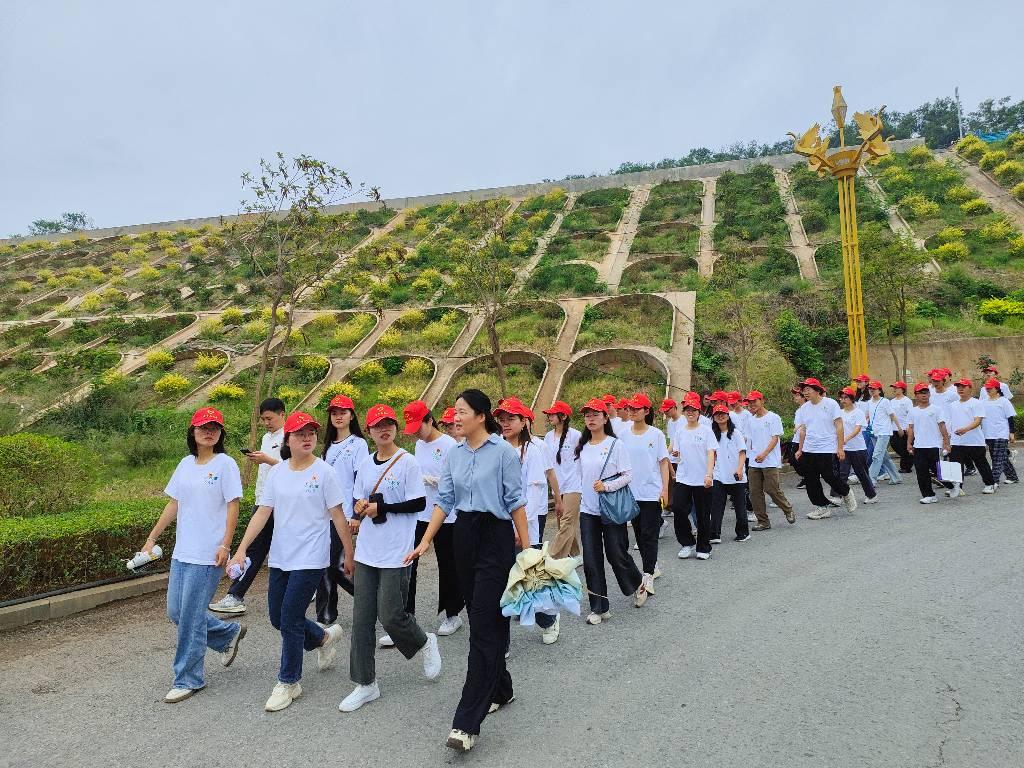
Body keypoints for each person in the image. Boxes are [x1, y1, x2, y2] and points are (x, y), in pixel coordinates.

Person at [404, 389, 529, 753]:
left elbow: (516, 501)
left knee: (485, 626)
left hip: (495, 538)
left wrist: (527, 548)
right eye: (454, 413)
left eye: (461, 412)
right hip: (463, 536)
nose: (455, 418)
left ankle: (466, 722)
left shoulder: (504, 452)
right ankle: (501, 689)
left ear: (480, 415)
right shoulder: (453, 454)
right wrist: (426, 540)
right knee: (482, 620)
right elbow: (444, 500)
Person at [227, 411, 354, 712]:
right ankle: (322, 637)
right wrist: (242, 548)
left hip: (311, 557)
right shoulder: (278, 473)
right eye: (300, 434)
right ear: (288, 440)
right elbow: (262, 513)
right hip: (282, 555)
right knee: (277, 617)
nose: (307, 438)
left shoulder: (324, 473)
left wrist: (349, 554)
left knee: (291, 617)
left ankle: (289, 681)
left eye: (311, 433)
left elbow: (338, 515)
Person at [339, 404, 440, 713]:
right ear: (369, 432)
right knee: (362, 618)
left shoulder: (407, 462)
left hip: (397, 550)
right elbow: (359, 496)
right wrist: (360, 507)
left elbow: (419, 503)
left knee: (391, 614)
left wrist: (382, 509)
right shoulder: (366, 466)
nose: (384, 430)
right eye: (377, 426)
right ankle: (366, 683)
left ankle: (424, 642)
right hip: (368, 549)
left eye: (389, 424)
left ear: (395, 428)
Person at [142, 407, 245, 704]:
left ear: (221, 433)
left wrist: (226, 545)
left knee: (189, 617)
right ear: (193, 432)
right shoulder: (185, 464)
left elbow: (233, 506)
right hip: (182, 551)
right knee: (177, 612)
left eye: (214, 427)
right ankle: (227, 635)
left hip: (209, 553)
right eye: (203, 427)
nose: (208, 431)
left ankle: (189, 677)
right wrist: (152, 537)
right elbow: (175, 503)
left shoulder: (226, 464)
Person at [571, 397, 646, 619]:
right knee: (592, 559)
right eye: (587, 415)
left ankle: (637, 583)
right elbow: (578, 478)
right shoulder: (582, 448)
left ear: (605, 417)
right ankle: (599, 607)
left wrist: (607, 486)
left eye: (595, 414)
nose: (591, 418)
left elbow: (628, 475)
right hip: (588, 511)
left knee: (616, 554)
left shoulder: (615, 444)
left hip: (611, 509)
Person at [209, 398, 285, 614]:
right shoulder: (266, 437)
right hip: (263, 500)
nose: (266, 423)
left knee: (261, 548)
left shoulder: (290, 436)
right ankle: (235, 594)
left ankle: (235, 595)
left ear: (282, 414)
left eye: (269, 418)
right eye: (263, 419)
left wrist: (267, 460)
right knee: (255, 548)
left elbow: (293, 469)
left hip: (282, 503)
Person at [494, 397, 560, 644]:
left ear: (524, 422)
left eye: (511, 418)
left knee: (528, 576)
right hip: (499, 523)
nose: (506, 423)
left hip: (525, 524)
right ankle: (502, 640)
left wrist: (521, 530)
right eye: (502, 419)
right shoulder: (495, 447)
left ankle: (548, 619)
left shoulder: (533, 450)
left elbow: (531, 495)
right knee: (504, 577)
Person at [402, 400, 463, 638]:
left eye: (420, 426)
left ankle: (453, 614)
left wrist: (435, 480)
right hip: (421, 513)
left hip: (447, 514)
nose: (417, 432)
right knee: (409, 562)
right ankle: (407, 616)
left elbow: (457, 479)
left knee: (448, 564)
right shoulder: (418, 445)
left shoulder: (449, 445)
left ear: (430, 420)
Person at [316, 394, 368, 626]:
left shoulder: (358, 444)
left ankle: (369, 599)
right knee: (324, 564)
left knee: (335, 565)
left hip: (346, 513)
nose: (338, 416)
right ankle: (326, 615)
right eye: (334, 412)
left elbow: (361, 480)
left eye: (343, 412)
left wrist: (357, 514)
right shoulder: (327, 446)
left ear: (351, 415)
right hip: (324, 514)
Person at [620, 392, 669, 602]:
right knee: (639, 534)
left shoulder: (656, 434)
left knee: (649, 534)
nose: (632, 411)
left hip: (651, 492)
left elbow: (663, 462)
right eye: (630, 408)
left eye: (636, 409)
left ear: (646, 411)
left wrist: (665, 489)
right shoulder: (622, 434)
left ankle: (647, 574)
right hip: (630, 492)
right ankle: (653, 564)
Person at [795, 378, 856, 520]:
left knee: (830, 476)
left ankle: (845, 492)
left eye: (808, 389)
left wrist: (840, 447)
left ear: (817, 390)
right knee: (810, 479)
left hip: (827, 448)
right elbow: (803, 430)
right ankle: (822, 507)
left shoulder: (830, 404)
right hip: (809, 448)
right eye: (804, 390)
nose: (805, 392)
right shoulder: (804, 408)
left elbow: (839, 425)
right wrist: (800, 449)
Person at [672, 392, 716, 559]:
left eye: (694, 410)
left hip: (702, 478)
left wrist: (709, 474)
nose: (690, 412)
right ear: (684, 412)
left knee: (703, 513)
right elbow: (677, 453)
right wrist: (675, 453)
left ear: (699, 412)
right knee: (678, 509)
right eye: (687, 410)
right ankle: (687, 542)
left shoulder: (706, 430)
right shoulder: (680, 431)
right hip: (684, 477)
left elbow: (711, 453)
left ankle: (703, 547)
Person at [745, 390, 795, 529]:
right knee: (754, 492)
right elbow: (747, 439)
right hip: (754, 461)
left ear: (762, 400)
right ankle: (763, 521)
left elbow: (775, 438)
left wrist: (765, 454)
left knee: (772, 489)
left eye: (754, 401)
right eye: (749, 402)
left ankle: (787, 509)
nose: (752, 404)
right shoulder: (750, 420)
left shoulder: (773, 418)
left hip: (769, 461)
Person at [544, 401, 582, 559]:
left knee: (567, 521)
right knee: (563, 523)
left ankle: (552, 556)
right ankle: (574, 555)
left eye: (553, 414)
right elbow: (547, 462)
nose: (549, 417)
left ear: (564, 416)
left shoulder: (575, 435)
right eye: (549, 414)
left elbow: (583, 458)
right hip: (557, 486)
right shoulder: (548, 437)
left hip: (574, 484)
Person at [945, 379, 996, 496]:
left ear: (970, 388)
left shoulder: (976, 403)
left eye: (963, 386)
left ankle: (990, 484)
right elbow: (949, 422)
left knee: (981, 463)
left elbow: (978, 420)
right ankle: (958, 488)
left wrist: (965, 429)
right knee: (956, 466)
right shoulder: (953, 405)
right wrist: (947, 437)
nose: (960, 389)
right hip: (957, 441)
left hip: (975, 441)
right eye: (958, 387)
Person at [710, 403, 750, 543]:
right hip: (719, 475)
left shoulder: (735, 433)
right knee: (716, 505)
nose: (720, 416)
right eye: (717, 414)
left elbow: (742, 452)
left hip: (736, 475)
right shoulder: (712, 434)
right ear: (714, 417)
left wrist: (739, 468)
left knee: (740, 506)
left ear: (728, 416)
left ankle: (743, 532)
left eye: (723, 414)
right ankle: (714, 534)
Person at [906, 384, 952, 505]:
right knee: (921, 472)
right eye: (921, 393)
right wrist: (909, 443)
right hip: (919, 446)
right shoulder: (912, 411)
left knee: (938, 471)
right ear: (916, 395)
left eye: (926, 392)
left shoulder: (936, 409)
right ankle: (929, 495)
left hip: (934, 445)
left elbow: (942, 426)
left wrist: (946, 442)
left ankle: (953, 486)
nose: (924, 395)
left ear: (929, 394)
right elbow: (910, 428)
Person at [837, 387, 878, 504]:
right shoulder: (839, 413)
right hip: (844, 449)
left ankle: (872, 495)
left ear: (852, 399)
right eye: (842, 398)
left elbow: (857, 429)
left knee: (862, 473)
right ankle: (837, 496)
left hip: (858, 449)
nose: (843, 400)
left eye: (846, 398)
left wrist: (845, 439)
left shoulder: (858, 412)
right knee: (842, 473)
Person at [981, 378, 1019, 485]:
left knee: (997, 458)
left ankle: (993, 481)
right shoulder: (983, 402)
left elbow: (1010, 417)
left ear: (997, 389)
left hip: (1001, 433)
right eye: (986, 388)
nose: (988, 389)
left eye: (990, 388)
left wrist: (1011, 432)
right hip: (988, 434)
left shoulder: (1004, 401)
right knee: (1000, 456)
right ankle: (1012, 476)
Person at [865, 381, 902, 486]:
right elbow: (867, 416)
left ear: (879, 390)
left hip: (884, 432)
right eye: (870, 388)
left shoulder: (885, 401)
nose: (872, 390)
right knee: (884, 457)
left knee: (876, 456)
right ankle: (896, 477)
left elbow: (892, 415)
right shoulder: (869, 402)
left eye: (874, 389)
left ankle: (870, 479)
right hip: (873, 432)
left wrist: (899, 427)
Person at [888, 381, 914, 473]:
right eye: (894, 388)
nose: (895, 389)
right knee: (894, 444)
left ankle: (906, 467)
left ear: (902, 389)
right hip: (894, 428)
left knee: (904, 447)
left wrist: (908, 427)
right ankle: (910, 459)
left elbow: (910, 414)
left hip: (904, 428)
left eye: (897, 387)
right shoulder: (891, 401)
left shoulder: (907, 401)